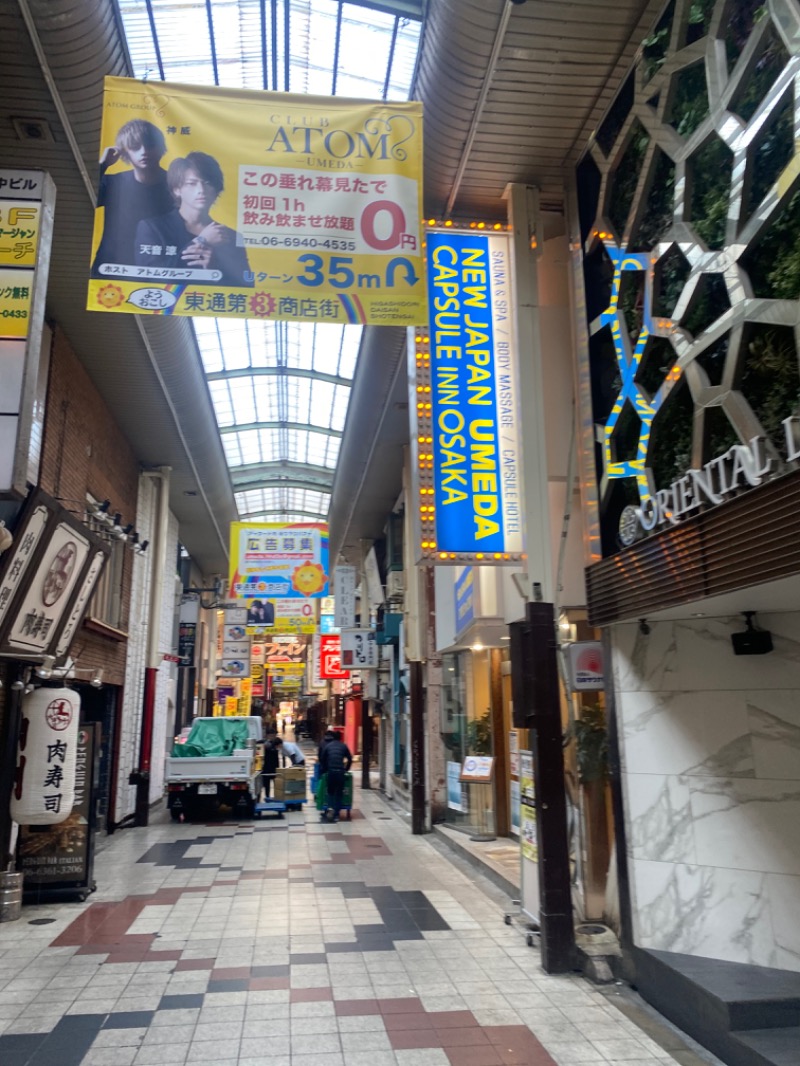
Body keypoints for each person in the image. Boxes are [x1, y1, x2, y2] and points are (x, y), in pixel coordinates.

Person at [135, 151, 253, 286]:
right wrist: (201, 241)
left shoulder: (231, 237)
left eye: (207, 183)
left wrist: (214, 271)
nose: (201, 190)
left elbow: (245, 288)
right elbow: (149, 279)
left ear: (216, 189)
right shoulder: (152, 228)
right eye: (192, 183)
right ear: (177, 190)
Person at [91, 119, 174, 276]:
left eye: (150, 145)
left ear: (160, 148)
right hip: (111, 268)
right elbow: (86, 196)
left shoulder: (178, 185)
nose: (144, 151)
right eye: (135, 147)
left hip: (161, 270)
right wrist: (103, 165)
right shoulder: (112, 182)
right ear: (124, 152)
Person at [318, 732, 352, 823]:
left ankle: (330, 810)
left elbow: (322, 759)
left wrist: (325, 769)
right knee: (339, 793)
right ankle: (337, 814)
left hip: (331, 772)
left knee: (330, 792)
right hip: (340, 772)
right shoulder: (343, 746)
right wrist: (346, 769)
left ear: (332, 738)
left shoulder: (328, 746)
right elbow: (350, 758)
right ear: (341, 738)